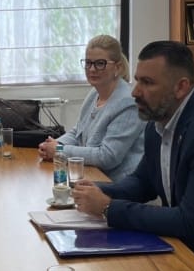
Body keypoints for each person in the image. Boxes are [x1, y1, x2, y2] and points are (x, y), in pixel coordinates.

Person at [71, 40, 194, 271]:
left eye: (147, 83)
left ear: (181, 87)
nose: (135, 92)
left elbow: (191, 222)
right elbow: (142, 183)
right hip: (187, 246)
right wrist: (93, 190)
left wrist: (108, 207)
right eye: (137, 80)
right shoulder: (158, 122)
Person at [37, 35, 143, 182]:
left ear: (117, 67)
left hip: (118, 185)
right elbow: (78, 132)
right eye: (88, 63)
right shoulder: (94, 93)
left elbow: (108, 157)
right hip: (92, 176)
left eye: (100, 63)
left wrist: (59, 151)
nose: (92, 69)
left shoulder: (128, 103)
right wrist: (54, 145)